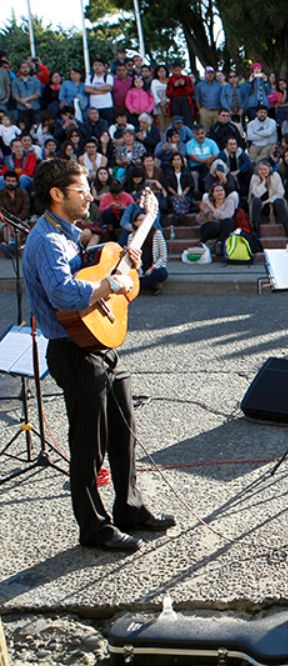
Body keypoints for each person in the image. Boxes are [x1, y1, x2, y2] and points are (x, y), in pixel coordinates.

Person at [21, 159, 175, 553]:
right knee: (88, 445)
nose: (90, 194)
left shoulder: (69, 235)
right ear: (57, 195)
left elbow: (96, 278)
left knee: (123, 433)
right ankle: (94, 528)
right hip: (73, 351)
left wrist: (122, 270)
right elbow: (65, 294)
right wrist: (113, 281)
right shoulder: (48, 241)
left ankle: (130, 508)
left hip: (99, 345)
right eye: (81, 189)